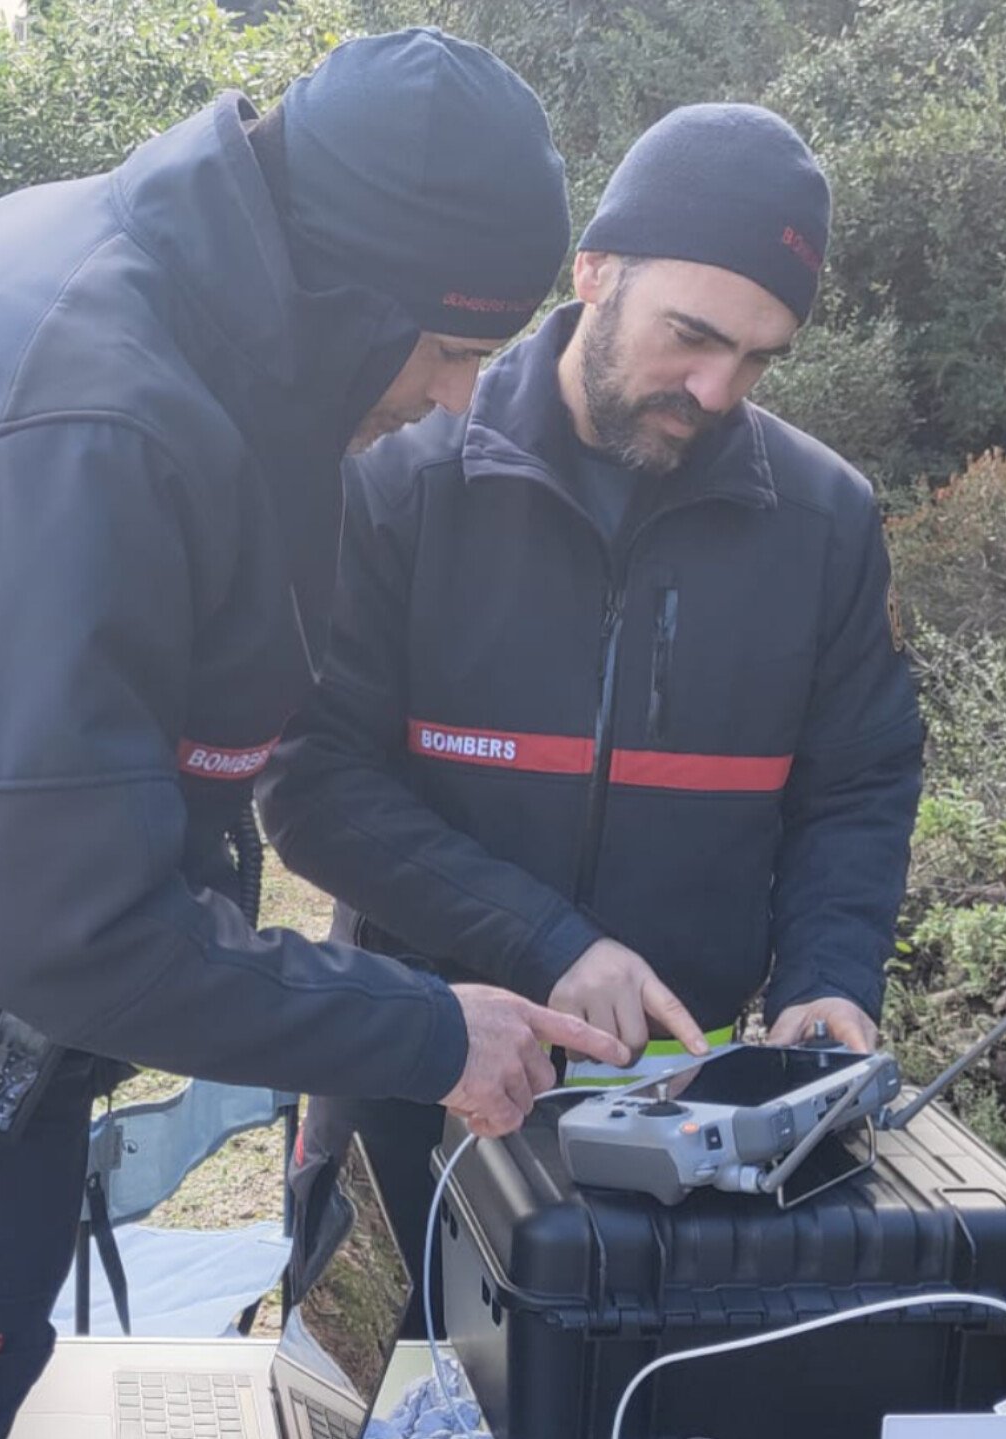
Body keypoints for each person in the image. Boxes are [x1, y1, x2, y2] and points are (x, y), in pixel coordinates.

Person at [0, 30, 628, 1438]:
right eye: (453, 350)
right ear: (350, 285)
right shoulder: (86, 417)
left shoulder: (166, 280)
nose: (456, 401)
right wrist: (424, 1027)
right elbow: (72, 930)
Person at [259, 103, 926, 1332]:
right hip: (411, 1066)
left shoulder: (826, 522)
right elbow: (310, 779)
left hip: (688, 1114)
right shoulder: (405, 468)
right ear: (595, 274)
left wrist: (831, 974)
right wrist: (548, 939)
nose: (716, 387)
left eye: (760, 357)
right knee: (383, 1395)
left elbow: (858, 783)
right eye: (693, 337)